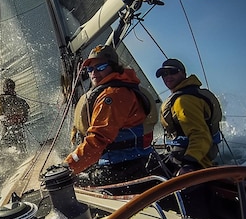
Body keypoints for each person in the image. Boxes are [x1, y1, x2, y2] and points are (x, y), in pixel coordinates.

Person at [65, 44, 157, 190]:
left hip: (122, 170)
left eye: (100, 67)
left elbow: (98, 139)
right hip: (136, 163)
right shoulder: (120, 89)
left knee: (68, 184)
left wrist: (67, 167)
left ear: (113, 67)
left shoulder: (113, 95)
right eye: (90, 69)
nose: (94, 72)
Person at [156, 58, 223, 176]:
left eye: (173, 72)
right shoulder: (196, 93)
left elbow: (200, 135)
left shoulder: (183, 101)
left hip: (191, 159)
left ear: (183, 73)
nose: (167, 77)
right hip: (201, 155)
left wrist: (189, 164)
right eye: (164, 74)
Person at [0, 78, 30, 154]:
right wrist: (20, 119)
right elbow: (26, 114)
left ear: (5, 87)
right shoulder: (22, 101)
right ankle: (23, 157)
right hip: (18, 128)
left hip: (6, 127)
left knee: (3, 146)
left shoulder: (2, 99)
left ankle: (4, 161)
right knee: (20, 146)